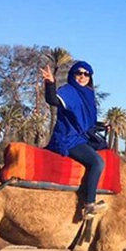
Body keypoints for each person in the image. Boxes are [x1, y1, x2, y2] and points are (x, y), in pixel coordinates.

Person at [41, 61, 106, 219]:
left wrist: (102, 126)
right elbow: (53, 100)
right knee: (97, 162)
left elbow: (84, 123)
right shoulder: (68, 91)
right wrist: (50, 83)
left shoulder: (88, 94)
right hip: (68, 139)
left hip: (80, 138)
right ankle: (89, 204)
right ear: (73, 74)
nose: (82, 76)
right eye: (79, 73)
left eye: (86, 74)